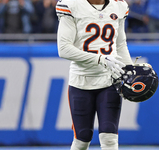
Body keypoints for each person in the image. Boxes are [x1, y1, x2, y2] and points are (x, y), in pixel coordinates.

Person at [56, 0, 134, 149]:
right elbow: (64, 48)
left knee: (109, 138)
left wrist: (129, 69)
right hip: (81, 80)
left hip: (110, 80)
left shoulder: (119, 5)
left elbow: (120, 44)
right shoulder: (71, 5)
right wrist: (99, 59)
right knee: (82, 139)